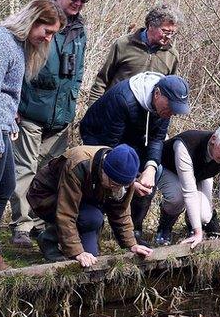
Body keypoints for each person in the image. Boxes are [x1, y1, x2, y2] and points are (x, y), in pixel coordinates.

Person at [0, 0, 65, 271]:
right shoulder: (1, 42)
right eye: (47, 31)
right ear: (33, 20)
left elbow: (7, 95)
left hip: (1, 125)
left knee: (5, 188)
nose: (48, 38)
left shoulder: (17, 45)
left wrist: (11, 123)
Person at [8, 0, 96, 249]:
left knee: (51, 173)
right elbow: (17, 66)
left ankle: (42, 222)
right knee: (24, 168)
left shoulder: (80, 30)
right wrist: (14, 105)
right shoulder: (38, 18)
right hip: (30, 109)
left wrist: (72, 106)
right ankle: (21, 225)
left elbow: (77, 73)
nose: (78, 3)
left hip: (61, 116)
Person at [78, 72, 191, 243]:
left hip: (133, 140)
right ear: (157, 93)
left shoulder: (164, 110)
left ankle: (134, 229)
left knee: (154, 173)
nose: (172, 113)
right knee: (107, 176)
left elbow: (157, 139)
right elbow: (109, 147)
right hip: (99, 138)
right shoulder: (123, 99)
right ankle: (94, 226)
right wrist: (131, 181)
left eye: (176, 109)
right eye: (170, 107)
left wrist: (150, 168)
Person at [26, 144, 155, 266]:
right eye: (113, 184)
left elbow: (121, 212)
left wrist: (132, 244)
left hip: (84, 200)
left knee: (92, 256)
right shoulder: (78, 164)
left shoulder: (125, 177)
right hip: (46, 196)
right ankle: (49, 239)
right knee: (91, 219)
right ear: (103, 169)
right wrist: (77, 252)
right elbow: (66, 212)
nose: (115, 189)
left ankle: (63, 238)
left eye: (121, 186)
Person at [154, 119, 220, 248]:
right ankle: (165, 227)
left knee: (204, 216)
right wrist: (198, 233)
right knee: (177, 198)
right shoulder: (186, 145)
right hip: (169, 169)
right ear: (214, 139)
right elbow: (189, 191)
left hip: (200, 175)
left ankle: (191, 221)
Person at [84, 2, 182, 107]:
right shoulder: (123, 44)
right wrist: (93, 109)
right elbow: (102, 80)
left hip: (145, 118)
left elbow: (169, 93)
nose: (169, 37)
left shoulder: (172, 55)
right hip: (115, 110)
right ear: (151, 25)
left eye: (172, 33)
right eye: (165, 31)